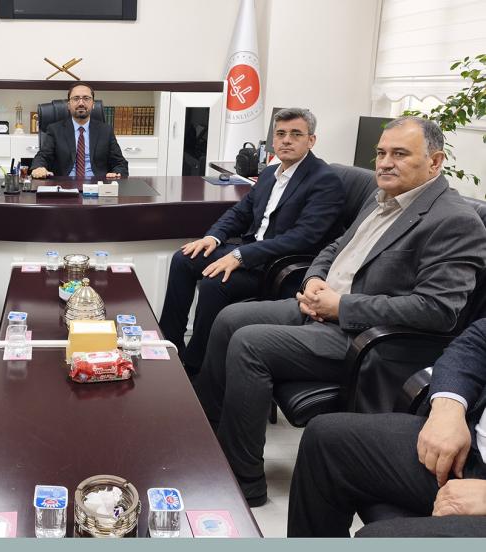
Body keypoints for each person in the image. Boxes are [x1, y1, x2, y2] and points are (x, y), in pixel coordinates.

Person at [193, 116, 486, 507]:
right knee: (229, 319)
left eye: (400, 154)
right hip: (324, 305)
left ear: (435, 162)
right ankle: (208, 432)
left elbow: (438, 310)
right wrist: (315, 278)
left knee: (249, 343)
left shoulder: (455, 221)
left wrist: (341, 306)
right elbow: (336, 246)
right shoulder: (383, 196)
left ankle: (244, 480)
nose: (385, 163)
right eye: (381, 153)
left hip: (362, 336)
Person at [159, 108, 344, 375]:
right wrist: (213, 237)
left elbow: (303, 237)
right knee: (184, 258)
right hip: (251, 253)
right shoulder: (270, 173)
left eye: (296, 134)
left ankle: (197, 367)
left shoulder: (325, 180)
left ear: (311, 140)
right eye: (280, 134)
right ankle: (170, 346)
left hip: (278, 267)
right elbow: (240, 212)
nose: (286, 140)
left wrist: (240, 256)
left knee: (215, 282)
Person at [288, 318, 486, 537]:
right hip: (472, 449)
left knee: (377, 538)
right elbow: (477, 340)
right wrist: (448, 407)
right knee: (324, 438)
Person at [30, 82, 128, 180]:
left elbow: (120, 163)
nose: (81, 103)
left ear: (93, 104)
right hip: (65, 184)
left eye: (86, 98)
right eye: (76, 98)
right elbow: (43, 156)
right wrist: (39, 168)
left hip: (97, 184)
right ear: (69, 105)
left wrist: (116, 173)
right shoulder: (55, 130)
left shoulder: (105, 130)